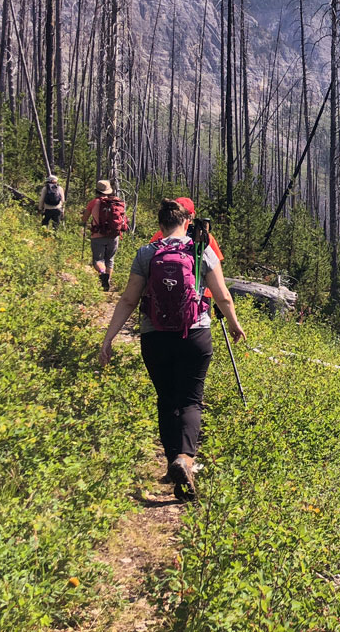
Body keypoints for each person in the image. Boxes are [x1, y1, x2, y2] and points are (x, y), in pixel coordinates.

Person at [98, 198, 247, 501]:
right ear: (187, 223)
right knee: (191, 401)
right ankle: (185, 459)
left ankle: (174, 468)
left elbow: (128, 300)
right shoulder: (201, 250)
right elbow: (223, 296)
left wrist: (109, 338)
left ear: (160, 225)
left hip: (155, 337)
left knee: (167, 401)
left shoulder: (146, 253)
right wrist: (234, 324)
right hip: (195, 335)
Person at [82, 180, 128, 291]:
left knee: (98, 260)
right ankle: (108, 283)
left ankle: (103, 275)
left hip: (97, 235)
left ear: (97, 190)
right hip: (114, 235)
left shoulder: (94, 202)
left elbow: (84, 219)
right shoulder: (117, 203)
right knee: (110, 259)